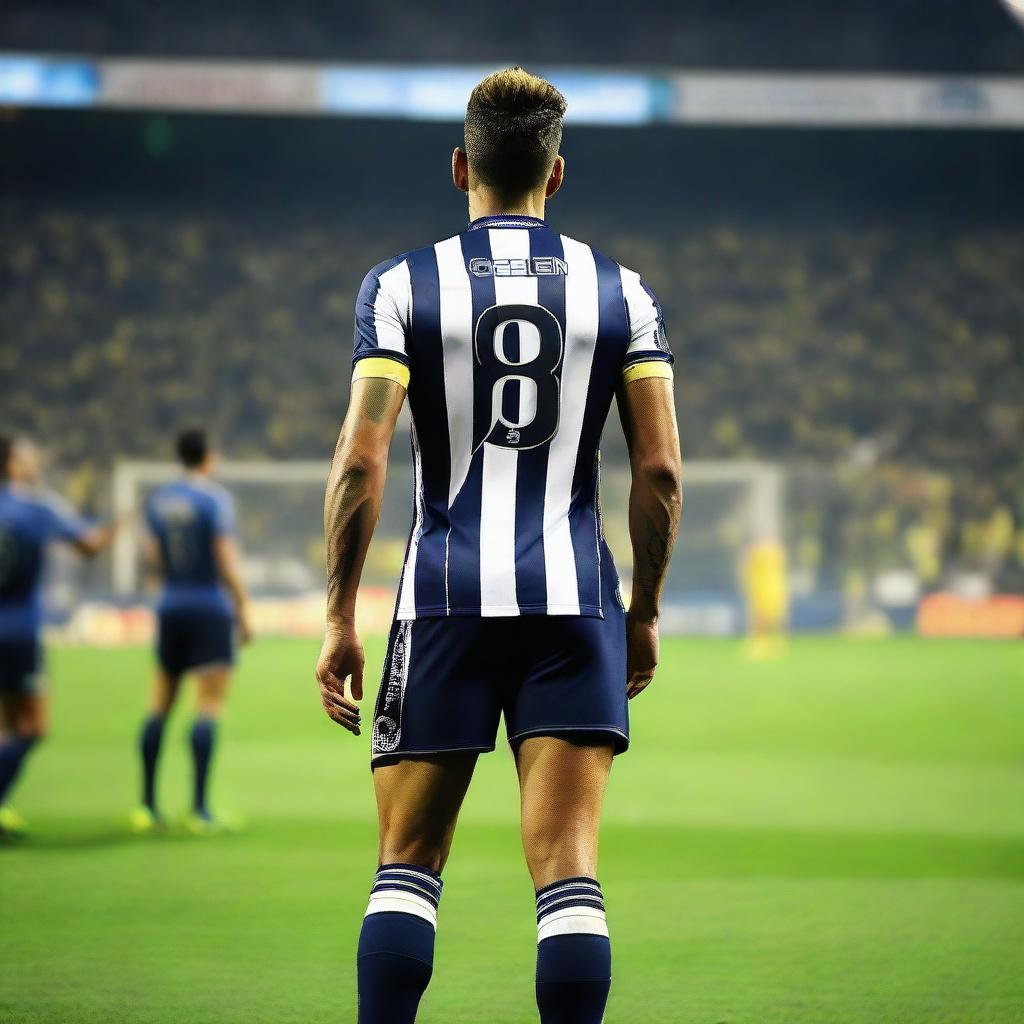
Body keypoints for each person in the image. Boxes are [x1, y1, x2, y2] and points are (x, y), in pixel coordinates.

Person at [315, 67, 682, 1024]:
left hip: (442, 595)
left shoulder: (399, 285)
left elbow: (360, 462)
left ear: (457, 168)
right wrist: (640, 614)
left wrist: (338, 617)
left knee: (407, 866)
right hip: (575, 605)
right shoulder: (624, 293)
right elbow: (661, 474)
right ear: (556, 176)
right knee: (568, 872)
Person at [131, 429, 252, 834]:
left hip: (171, 603)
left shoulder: (160, 501)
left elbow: (151, 556)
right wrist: (244, 608)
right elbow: (225, 557)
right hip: (209, 607)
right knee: (208, 705)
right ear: (208, 457)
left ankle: (147, 806)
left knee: (159, 705)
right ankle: (199, 810)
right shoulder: (214, 500)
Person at [0, 434, 116, 837]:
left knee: (5, 722)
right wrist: (115, 528)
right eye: (28, 456)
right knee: (32, 726)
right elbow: (87, 544)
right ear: (12, 463)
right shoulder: (36, 507)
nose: (35, 462)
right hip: (18, 631)